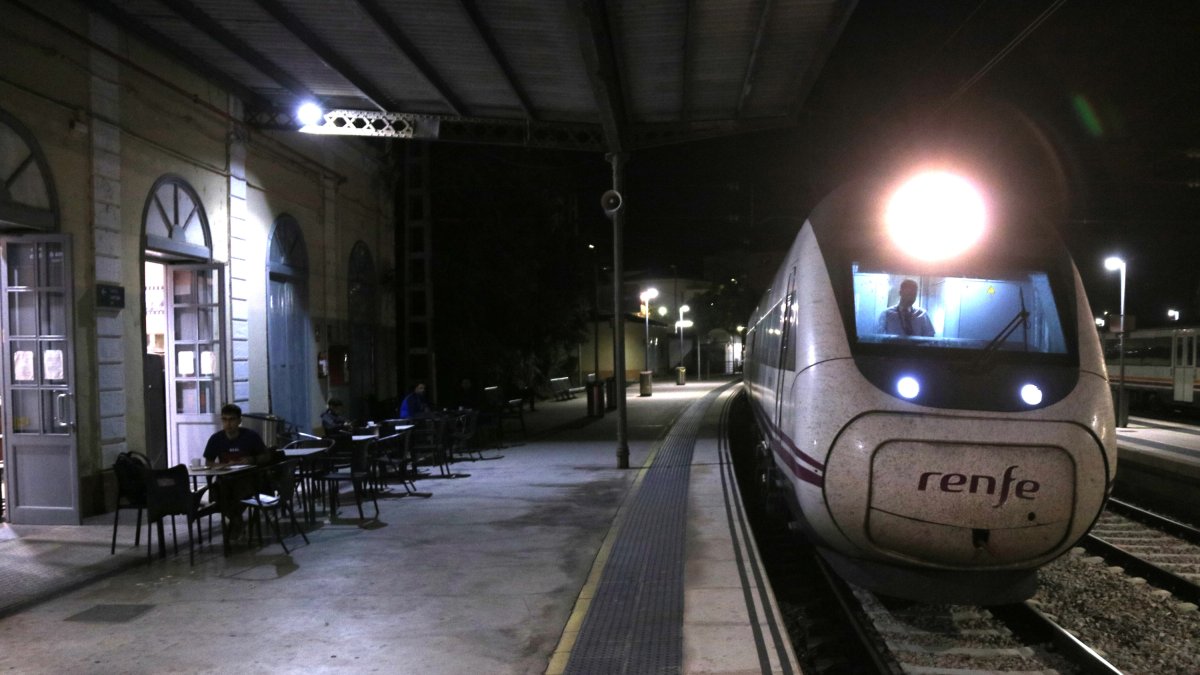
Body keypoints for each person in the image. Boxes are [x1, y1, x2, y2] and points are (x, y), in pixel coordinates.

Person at [203, 404, 272, 466]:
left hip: (247, 476)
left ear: (239, 421)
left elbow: (267, 456)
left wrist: (252, 460)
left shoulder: (251, 436)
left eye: (232, 419)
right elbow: (208, 463)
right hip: (225, 478)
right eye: (224, 419)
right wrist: (224, 466)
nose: (228, 423)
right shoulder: (215, 438)